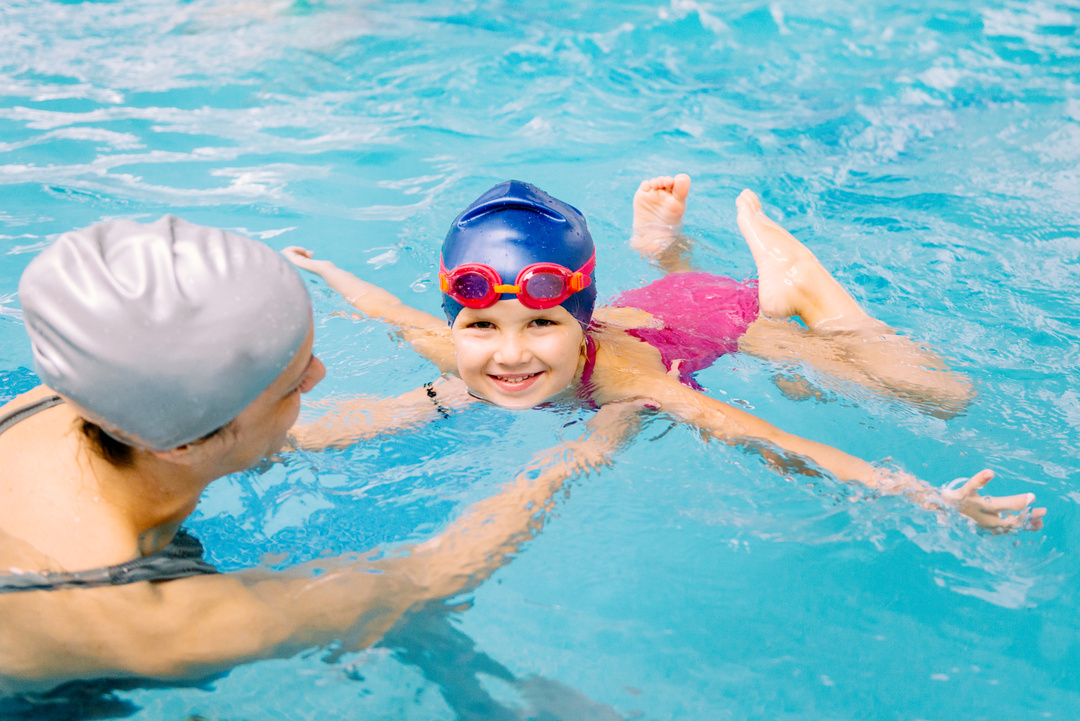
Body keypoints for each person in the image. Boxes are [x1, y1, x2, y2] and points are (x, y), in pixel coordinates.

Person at [0, 215, 639, 696]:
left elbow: (269, 432)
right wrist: (589, 450)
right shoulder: (157, 626)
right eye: (293, 379)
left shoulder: (86, 388)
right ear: (184, 444)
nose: (319, 374)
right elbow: (428, 575)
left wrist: (445, 396)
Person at [283, 175, 1046, 531]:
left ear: (577, 324)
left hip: (722, 321)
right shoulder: (462, 350)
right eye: (481, 327)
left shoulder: (626, 377)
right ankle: (665, 247)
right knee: (418, 404)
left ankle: (797, 278)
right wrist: (323, 270)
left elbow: (763, 435)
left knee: (941, 395)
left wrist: (920, 494)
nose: (509, 355)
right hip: (652, 311)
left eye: (542, 324)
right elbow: (389, 311)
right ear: (459, 322)